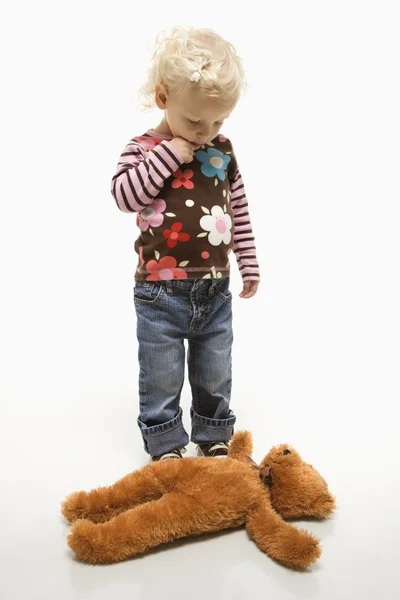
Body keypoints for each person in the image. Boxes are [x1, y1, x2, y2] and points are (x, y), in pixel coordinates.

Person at [111, 26, 260, 462]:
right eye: (195, 121)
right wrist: (168, 153)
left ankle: (214, 435)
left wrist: (248, 262)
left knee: (215, 368)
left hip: (214, 288)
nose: (205, 131)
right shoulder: (143, 149)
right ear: (163, 98)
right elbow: (125, 197)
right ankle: (165, 445)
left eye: (218, 121)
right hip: (160, 290)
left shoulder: (222, 151)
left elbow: (239, 211)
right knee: (162, 372)